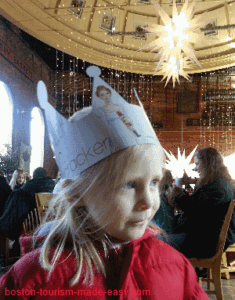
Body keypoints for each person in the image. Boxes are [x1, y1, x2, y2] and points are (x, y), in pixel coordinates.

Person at [0, 69, 209, 299]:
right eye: (130, 184)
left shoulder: (175, 267)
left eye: (154, 182)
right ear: (75, 194)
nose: (148, 201)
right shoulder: (36, 277)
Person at [168, 147, 235, 259]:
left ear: (209, 164)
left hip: (205, 242)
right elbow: (199, 208)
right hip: (204, 237)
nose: (195, 168)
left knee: (155, 244)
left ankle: (175, 275)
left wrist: (178, 193)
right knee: (157, 238)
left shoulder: (218, 188)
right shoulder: (220, 183)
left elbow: (193, 210)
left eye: (198, 164)